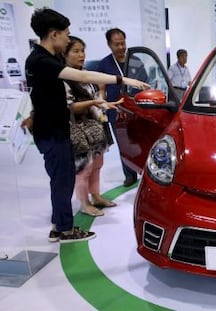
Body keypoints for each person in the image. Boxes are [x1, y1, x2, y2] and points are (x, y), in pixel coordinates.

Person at [25, 8, 149, 243]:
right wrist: (123, 79)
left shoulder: (40, 59)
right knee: (63, 180)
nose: (67, 38)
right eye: (65, 34)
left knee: (61, 180)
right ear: (53, 34)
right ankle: (66, 230)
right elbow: (83, 77)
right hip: (53, 132)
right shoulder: (42, 60)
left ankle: (59, 226)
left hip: (52, 130)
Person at [64, 36, 121, 217]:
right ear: (65, 55)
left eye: (82, 51)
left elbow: (97, 98)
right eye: (76, 51)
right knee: (83, 169)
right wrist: (93, 102)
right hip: (79, 132)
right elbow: (71, 107)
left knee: (97, 165)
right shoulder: (65, 79)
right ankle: (84, 203)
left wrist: (104, 103)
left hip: (95, 128)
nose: (81, 55)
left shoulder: (86, 75)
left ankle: (96, 196)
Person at [97, 28, 147, 187]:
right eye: (116, 44)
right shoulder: (104, 64)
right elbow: (101, 88)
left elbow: (145, 84)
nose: (120, 47)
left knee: (141, 140)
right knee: (123, 142)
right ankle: (129, 174)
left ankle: (145, 171)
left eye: (122, 43)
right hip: (116, 111)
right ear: (109, 45)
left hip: (137, 109)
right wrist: (103, 108)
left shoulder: (136, 60)